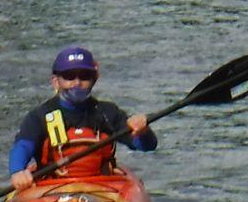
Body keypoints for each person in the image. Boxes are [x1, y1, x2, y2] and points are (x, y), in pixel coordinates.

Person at [8, 45, 155, 193]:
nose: (77, 83)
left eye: (84, 76)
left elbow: (147, 146)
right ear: (56, 81)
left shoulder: (107, 112)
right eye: (69, 76)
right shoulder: (40, 116)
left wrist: (143, 131)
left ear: (94, 79)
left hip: (102, 187)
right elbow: (23, 146)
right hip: (53, 189)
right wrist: (17, 171)